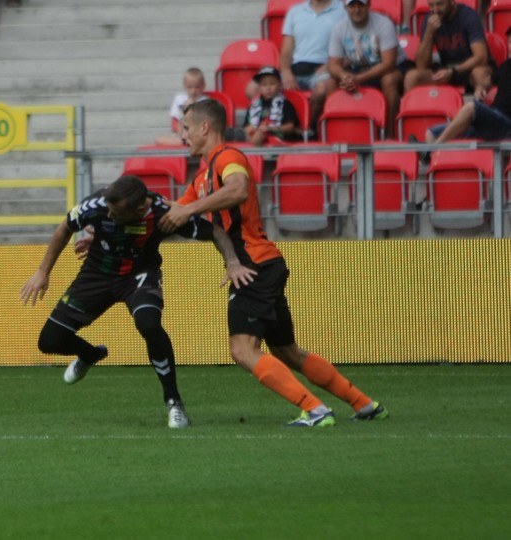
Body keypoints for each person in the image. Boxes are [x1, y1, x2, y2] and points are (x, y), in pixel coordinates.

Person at [159, 99, 389, 427]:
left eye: (185, 128)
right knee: (287, 351)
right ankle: (364, 404)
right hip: (265, 264)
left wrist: (191, 210)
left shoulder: (229, 158)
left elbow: (238, 189)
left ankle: (315, 409)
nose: (182, 136)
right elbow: (173, 213)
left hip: (253, 267)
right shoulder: (202, 177)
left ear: (204, 128)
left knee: (242, 349)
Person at [20, 175, 237, 429]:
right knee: (50, 341)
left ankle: (174, 402)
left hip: (139, 276)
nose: (109, 216)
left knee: (149, 323)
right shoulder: (97, 205)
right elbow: (64, 228)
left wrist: (232, 262)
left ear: (140, 209)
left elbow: (215, 231)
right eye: (108, 211)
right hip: (97, 274)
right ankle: (90, 355)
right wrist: (43, 272)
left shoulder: (162, 213)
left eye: (116, 213)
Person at [249, 0, 346, 134]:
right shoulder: (295, 11)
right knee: (252, 88)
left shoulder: (342, 9)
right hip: (296, 68)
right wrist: (286, 71)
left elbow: (349, 45)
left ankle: (306, 130)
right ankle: (264, 128)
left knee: (322, 89)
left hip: (324, 68)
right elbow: (286, 50)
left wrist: (331, 65)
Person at [418, 26, 511, 161]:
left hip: (507, 125)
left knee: (471, 107)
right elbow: (488, 81)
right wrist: (481, 87)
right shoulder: (506, 66)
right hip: (493, 119)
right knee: (432, 132)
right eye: (509, 42)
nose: (510, 46)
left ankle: (432, 150)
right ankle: (438, 168)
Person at [327, 0, 411, 136]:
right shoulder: (339, 28)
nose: (357, 10)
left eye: (361, 5)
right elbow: (333, 65)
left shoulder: (384, 24)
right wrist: (345, 77)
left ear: (369, 5)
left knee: (388, 80)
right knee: (331, 82)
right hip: (358, 69)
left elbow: (388, 63)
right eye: (352, 6)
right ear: (345, 7)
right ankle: (337, 133)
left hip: (393, 68)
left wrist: (358, 79)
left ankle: (390, 135)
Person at [403, 0, 492, 93]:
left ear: (452, 2)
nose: (435, 10)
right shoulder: (429, 20)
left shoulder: (468, 16)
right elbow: (421, 65)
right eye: (431, 5)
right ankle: (411, 107)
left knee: (479, 73)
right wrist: (429, 33)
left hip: (469, 69)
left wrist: (453, 71)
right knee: (412, 77)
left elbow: (481, 57)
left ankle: (480, 106)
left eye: (440, 4)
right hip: (445, 70)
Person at [243, 66, 300, 146]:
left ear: (280, 86)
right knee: (245, 134)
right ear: (259, 87)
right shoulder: (253, 105)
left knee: (261, 133)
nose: (268, 88)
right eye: (264, 85)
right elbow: (246, 127)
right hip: (256, 136)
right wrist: (250, 128)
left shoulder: (285, 104)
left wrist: (270, 128)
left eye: (272, 84)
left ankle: (250, 153)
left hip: (278, 138)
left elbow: (290, 127)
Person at [155, 67, 207, 146]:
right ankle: (183, 141)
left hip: (198, 135)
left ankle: (187, 142)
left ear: (203, 86)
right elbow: (176, 122)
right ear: (184, 86)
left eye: (197, 87)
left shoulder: (206, 101)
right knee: (158, 139)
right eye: (190, 87)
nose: (193, 91)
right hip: (182, 134)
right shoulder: (179, 99)